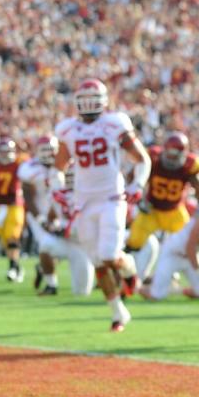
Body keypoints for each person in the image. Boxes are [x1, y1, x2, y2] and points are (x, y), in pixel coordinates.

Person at [54, 78, 150, 332]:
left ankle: (128, 268)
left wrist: (137, 185)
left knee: (109, 255)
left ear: (103, 101)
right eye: (83, 100)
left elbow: (142, 159)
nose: (87, 105)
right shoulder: (68, 129)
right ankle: (119, 312)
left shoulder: (114, 123)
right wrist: (58, 190)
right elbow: (58, 168)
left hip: (111, 198)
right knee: (98, 261)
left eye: (92, 100)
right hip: (84, 203)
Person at [125, 131, 199, 282]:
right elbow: (134, 175)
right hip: (151, 209)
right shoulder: (153, 157)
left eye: (175, 155)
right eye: (168, 154)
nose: (170, 159)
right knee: (133, 242)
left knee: (189, 243)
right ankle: (121, 275)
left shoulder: (190, 164)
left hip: (174, 211)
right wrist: (141, 198)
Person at [17, 135, 61, 293]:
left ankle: (43, 268)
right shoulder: (29, 167)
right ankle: (51, 284)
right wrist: (41, 219)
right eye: (45, 149)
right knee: (46, 245)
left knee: (61, 248)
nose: (49, 153)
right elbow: (28, 197)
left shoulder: (65, 163)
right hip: (38, 214)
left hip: (61, 212)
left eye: (52, 149)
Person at [0, 138, 27, 282]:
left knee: (12, 236)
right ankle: (16, 266)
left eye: (8, 152)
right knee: (5, 239)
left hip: (14, 204)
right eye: (3, 152)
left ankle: (13, 268)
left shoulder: (19, 163)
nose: (6, 155)